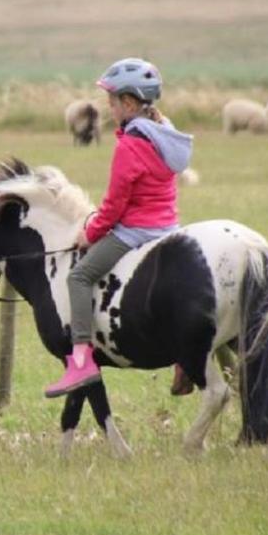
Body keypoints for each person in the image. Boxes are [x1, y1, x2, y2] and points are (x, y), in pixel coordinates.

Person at [45, 57, 195, 399]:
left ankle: (81, 358)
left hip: (136, 231)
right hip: (169, 227)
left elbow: (114, 206)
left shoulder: (130, 145)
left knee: (79, 276)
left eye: (112, 102)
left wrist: (90, 232)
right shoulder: (166, 133)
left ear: (129, 103)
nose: (109, 108)